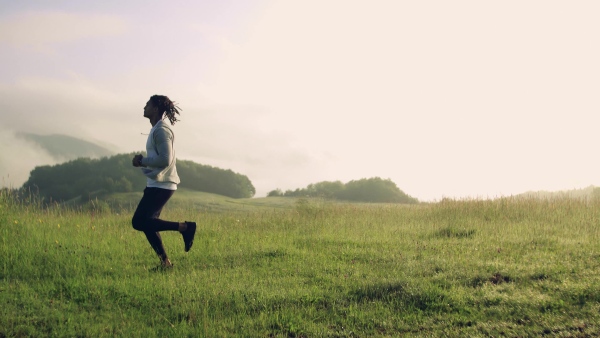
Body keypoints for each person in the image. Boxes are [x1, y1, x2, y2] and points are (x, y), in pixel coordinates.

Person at [131, 94, 196, 269]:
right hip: (156, 183)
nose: (144, 107)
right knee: (148, 224)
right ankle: (165, 263)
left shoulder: (161, 130)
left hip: (163, 184)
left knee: (139, 221)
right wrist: (141, 161)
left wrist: (143, 161)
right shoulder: (156, 129)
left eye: (147, 104)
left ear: (156, 108)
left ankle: (185, 228)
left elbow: (165, 159)